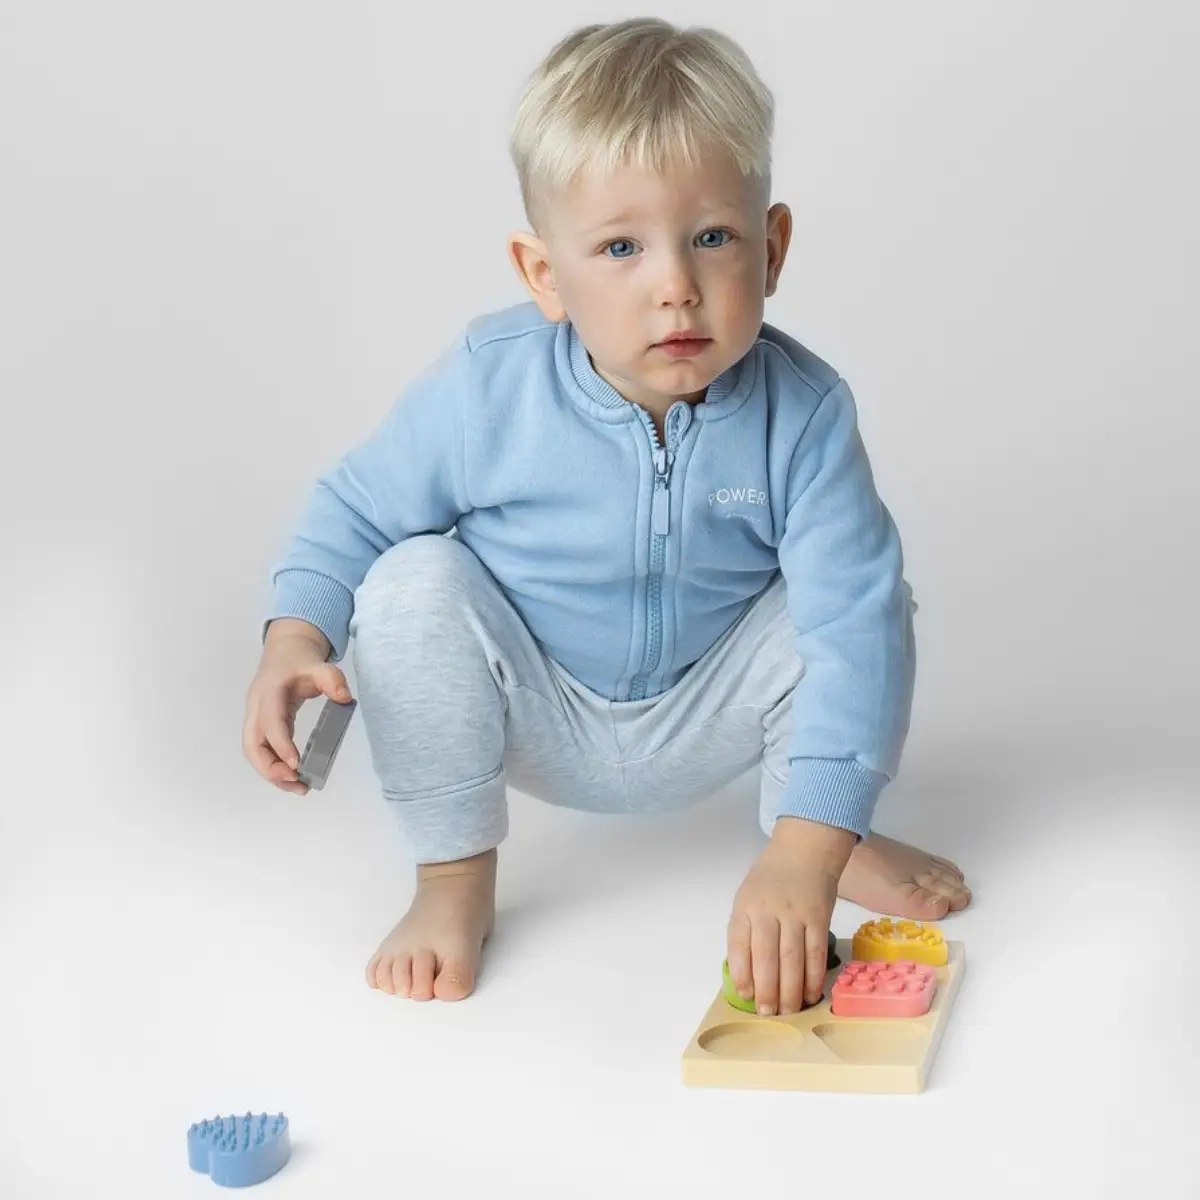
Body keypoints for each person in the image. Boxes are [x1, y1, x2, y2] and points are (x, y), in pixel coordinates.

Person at [243, 17, 970, 1019]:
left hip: (711, 707)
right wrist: (293, 638)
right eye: (621, 247)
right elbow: (353, 510)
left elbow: (850, 625)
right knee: (409, 582)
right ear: (545, 274)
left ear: (771, 249)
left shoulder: (802, 413)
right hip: (537, 705)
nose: (675, 286)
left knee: (861, 607)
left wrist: (804, 851)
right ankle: (452, 877)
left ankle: (818, 834)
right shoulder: (490, 385)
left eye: (712, 238)